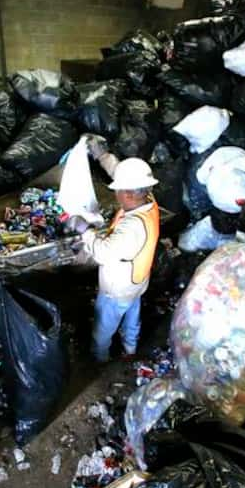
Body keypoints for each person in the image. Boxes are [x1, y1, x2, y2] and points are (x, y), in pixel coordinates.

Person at [73, 146, 160, 363]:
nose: (115, 193)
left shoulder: (132, 227)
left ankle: (100, 360)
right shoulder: (148, 199)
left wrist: (85, 230)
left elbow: (103, 253)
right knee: (132, 315)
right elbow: (119, 173)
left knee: (102, 330)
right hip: (137, 281)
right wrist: (102, 155)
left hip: (117, 290)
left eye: (118, 190)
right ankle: (130, 348)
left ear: (129, 193)